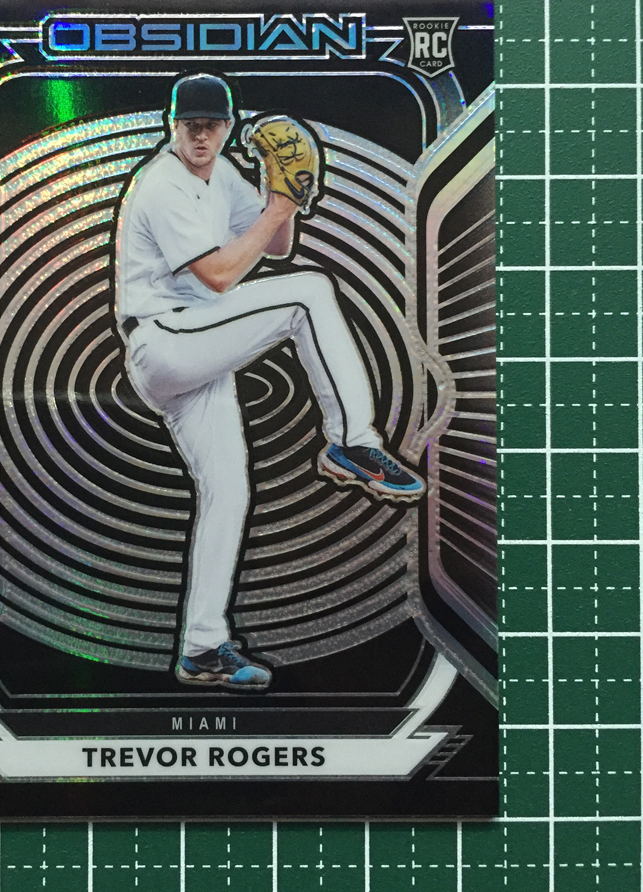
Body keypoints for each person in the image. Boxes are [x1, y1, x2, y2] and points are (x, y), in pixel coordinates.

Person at [114, 74, 424, 692]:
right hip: (165, 340)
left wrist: (278, 191)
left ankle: (203, 647)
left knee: (229, 493)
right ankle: (352, 441)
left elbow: (275, 247)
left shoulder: (223, 173)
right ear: (172, 126)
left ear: (227, 128)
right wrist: (280, 206)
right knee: (309, 293)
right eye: (189, 124)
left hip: (197, 349)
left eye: (211, 124)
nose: (200, 134)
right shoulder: (162, 183)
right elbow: (220, 275)